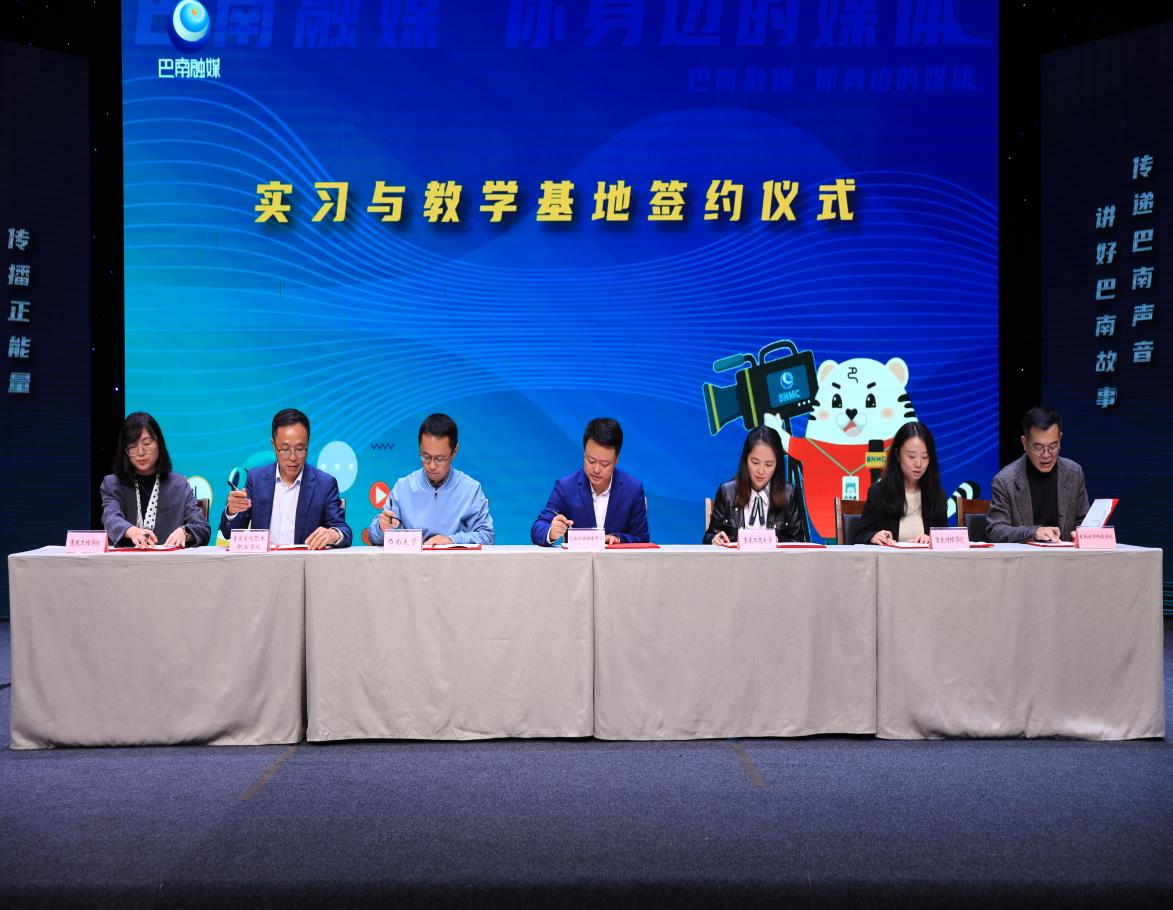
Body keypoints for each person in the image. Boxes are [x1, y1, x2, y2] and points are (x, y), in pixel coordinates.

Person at [219, 408, 351, 549]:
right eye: (285, 449)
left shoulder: (325, 484)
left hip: (305, 561)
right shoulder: (256, 479)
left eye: (300, 449)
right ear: (274, 445)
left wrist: (333, 534)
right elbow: (228, 533)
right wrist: (232, 511)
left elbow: (343, 531)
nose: (293, 457)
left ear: (307, 444)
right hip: (263, 561)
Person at [367, 413, 494, 547]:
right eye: (426, 456)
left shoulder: (470, 489)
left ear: (454, 451)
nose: (432, 466)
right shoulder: (403, 487)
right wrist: (381, 528)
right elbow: (373, 537)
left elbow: (487, 536)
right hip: (412, 560)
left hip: (455, 560)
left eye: (440, 459)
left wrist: (452, 540)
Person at [531, 417, 649, 546]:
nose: (596, 470)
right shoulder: (566, 487)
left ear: (616, 459)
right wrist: (551, 532)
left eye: (604, 464)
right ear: (584, 453)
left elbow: (642, 537)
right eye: (591, 461)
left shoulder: (633, 489)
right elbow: (538, 527)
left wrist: (618, 539)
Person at [100, 412, 211, 548]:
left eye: (147, 443)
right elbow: (110, 518)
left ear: (159, 444)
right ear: (125, 451)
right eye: (132, 446)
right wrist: (131, 531)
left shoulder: (179, 484)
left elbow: (202, 527)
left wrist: (185, 532)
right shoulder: (112, 484)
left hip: (170, 560)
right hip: (127, 560)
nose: (141, 452)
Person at [987, 406, 1089, 542]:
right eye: (1038, 447)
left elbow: (1084, 522)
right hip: (1025, 555)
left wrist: (1083, 534)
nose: (1046, 455)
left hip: (1065, 554)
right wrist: (1034, 532)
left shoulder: (1074, 473)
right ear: (1025, 443)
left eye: (1053, 446)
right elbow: (995, 530)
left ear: (1060, 439)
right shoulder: (1005, 480)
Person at [703, 425, 806, 545]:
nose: (761, 471)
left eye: (768, 464)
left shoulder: (789, 494)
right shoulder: (727, 492)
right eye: (755, 462)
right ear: (746, 460)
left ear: (777, 465)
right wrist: (715, 540)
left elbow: (799, 542)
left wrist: (774, 541)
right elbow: (708, 538)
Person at [854, 421, 947, 545]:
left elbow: (945, 539)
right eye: (911, 457)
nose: (918, 464)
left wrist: (934, 540)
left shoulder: (937, 495)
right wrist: (873, 536)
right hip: (889, 558)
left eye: (925, 457)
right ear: (898, 454)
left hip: (925, 557)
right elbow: (860, 537)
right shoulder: (878, 493)